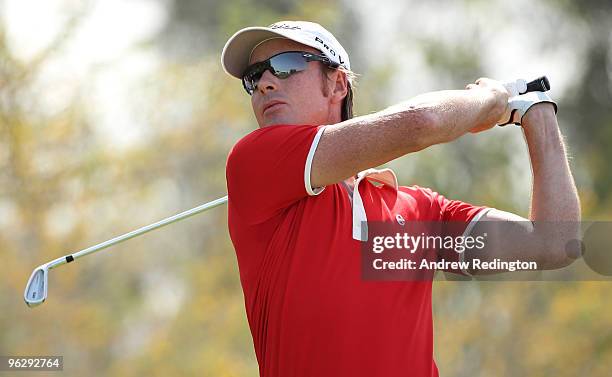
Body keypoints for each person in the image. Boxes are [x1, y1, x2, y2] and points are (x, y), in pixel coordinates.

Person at [221, 21, 581, 377]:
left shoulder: (418, 211)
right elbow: (422, 122)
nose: (265, 84)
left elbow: (554, 243)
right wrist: (490, 100)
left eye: (286, 65)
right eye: (254, 77)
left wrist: (538, 110)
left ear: (337, 83)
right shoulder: (253, 164)